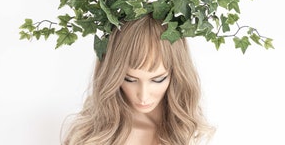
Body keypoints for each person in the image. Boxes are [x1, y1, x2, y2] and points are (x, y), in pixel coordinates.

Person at [61, 14, 215, 145]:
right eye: (130, 79)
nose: (143, 96)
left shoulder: (191, 135)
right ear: (112, 76)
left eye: (158, 80)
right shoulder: (90, 136)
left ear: (177, 73)